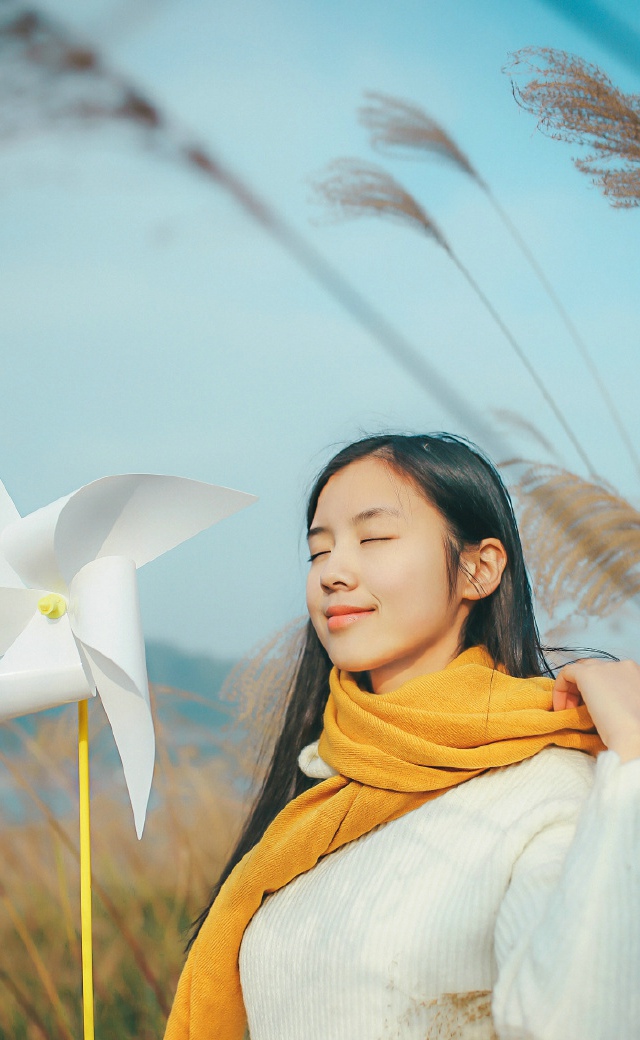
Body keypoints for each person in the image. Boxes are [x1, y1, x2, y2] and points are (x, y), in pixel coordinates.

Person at [164, 433, 640, 1040]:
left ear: (478, 568)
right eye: (318, 551)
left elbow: (582, 1019)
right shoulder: (320, 798)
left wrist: (633, 760)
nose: (333, 572)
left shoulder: (554, 794)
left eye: (374, 538)